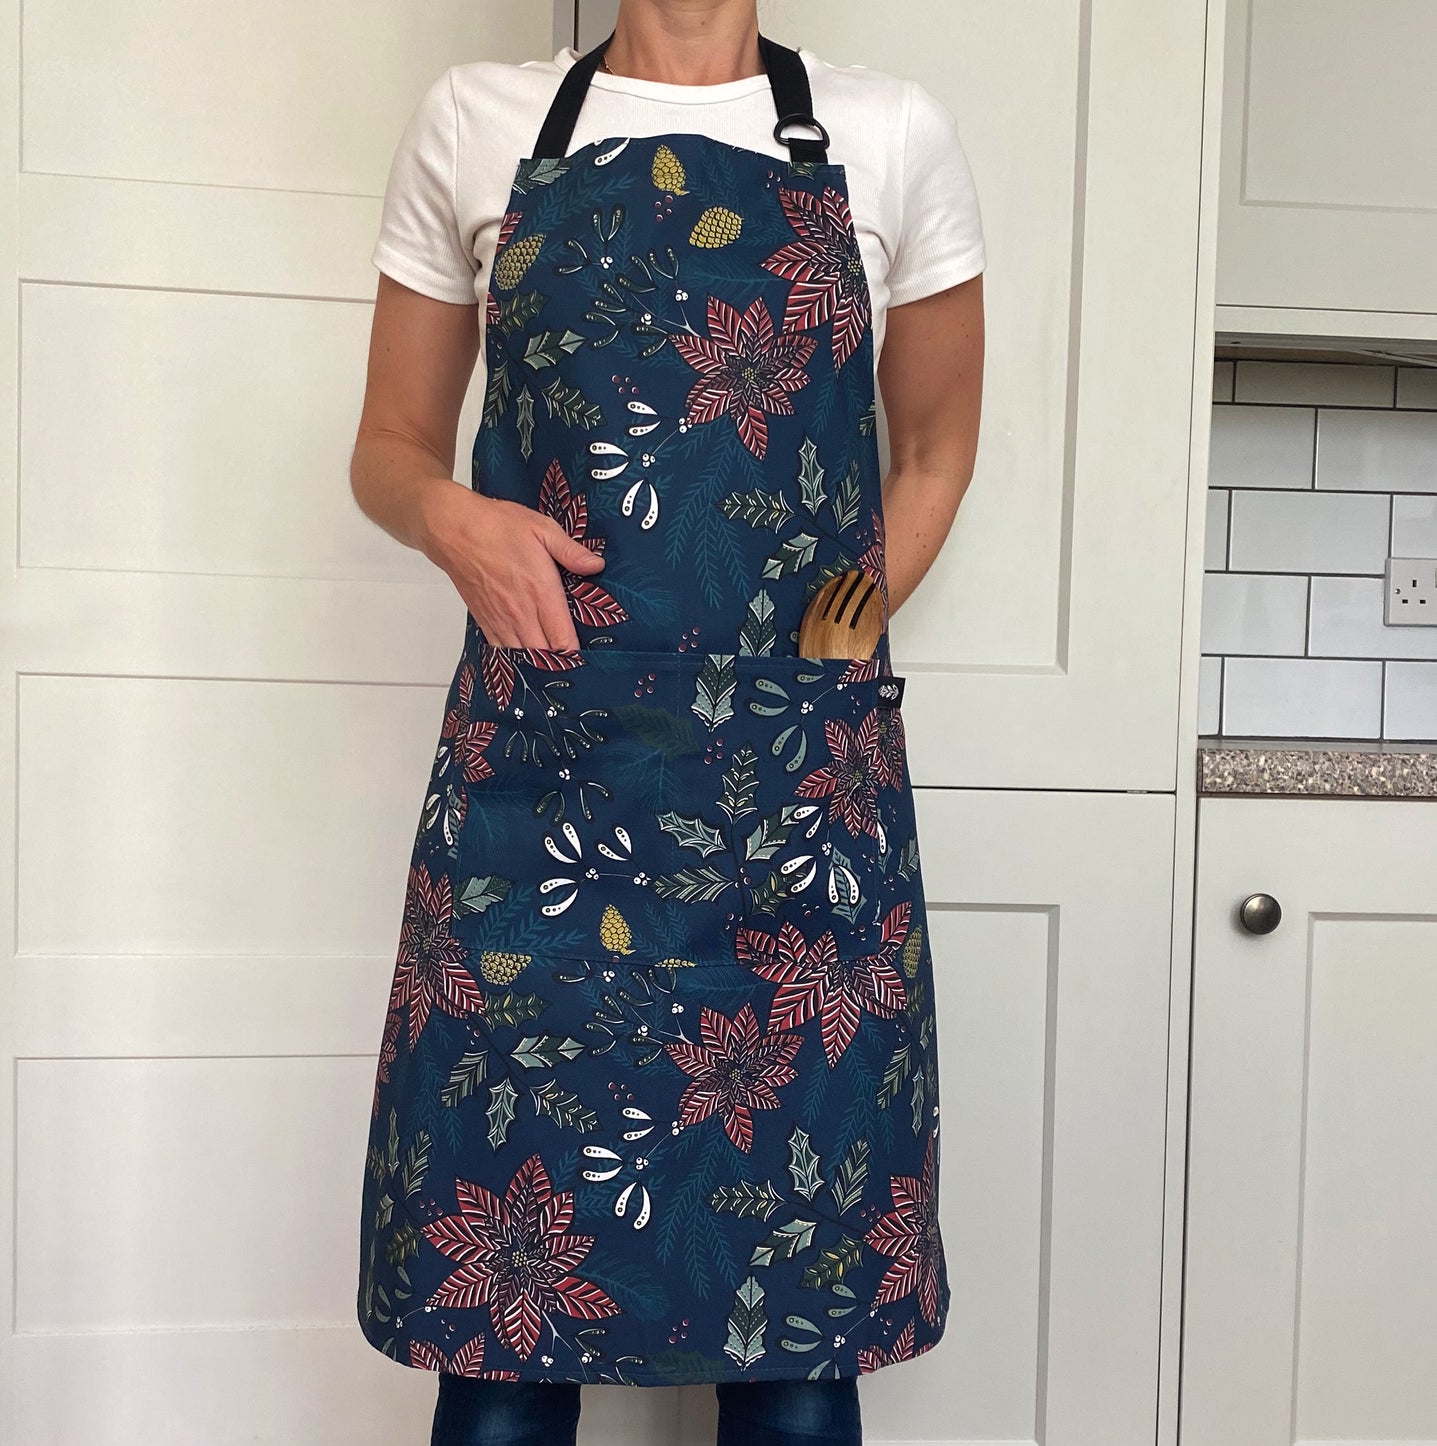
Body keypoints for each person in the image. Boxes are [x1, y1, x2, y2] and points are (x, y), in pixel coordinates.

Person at [348, 4, 984, 1444]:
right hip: (539, 796)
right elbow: (387, 448)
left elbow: (938, 439)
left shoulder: (886, 135)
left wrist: (851, 613)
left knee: (795, 1358)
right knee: (501, 1354)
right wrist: (455, 522)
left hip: (794, 805)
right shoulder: (477, 122)